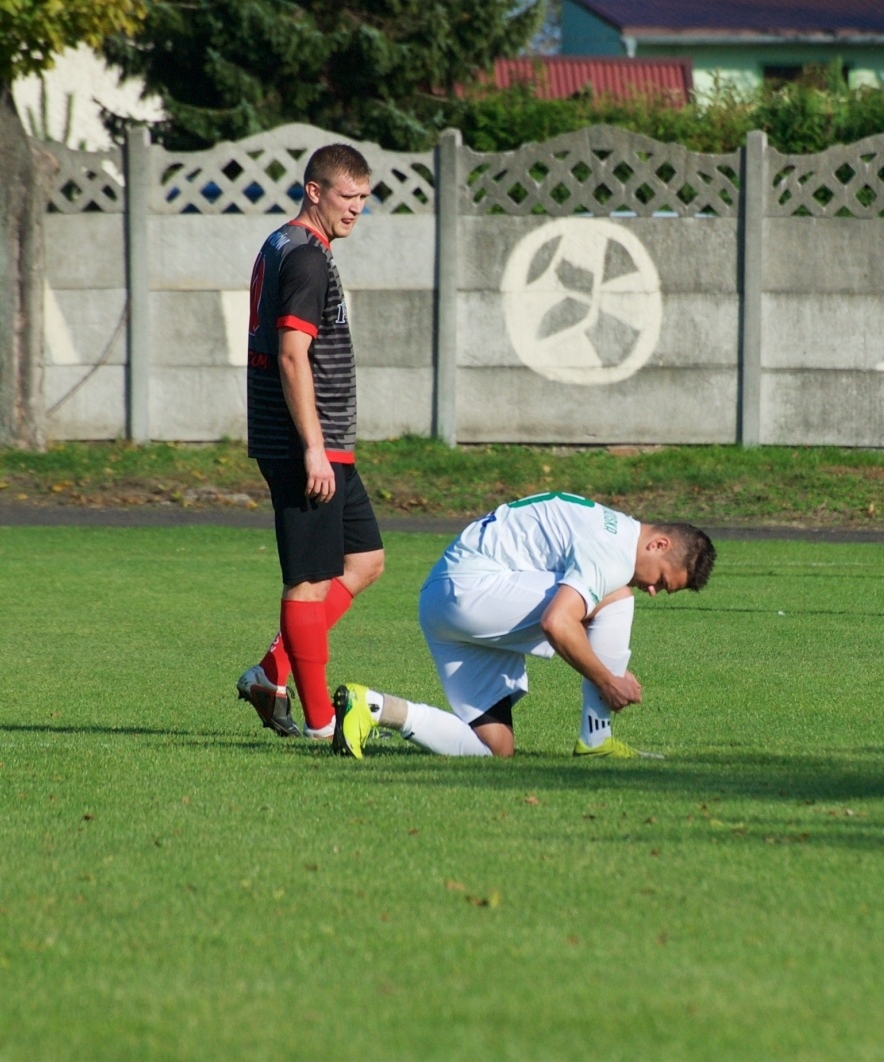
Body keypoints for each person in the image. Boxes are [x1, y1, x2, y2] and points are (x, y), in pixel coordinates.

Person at [329, 491, 715, 760]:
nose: (652, 589)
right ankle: (596, 740)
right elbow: (558, 622)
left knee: (495, 749)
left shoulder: (613, 527)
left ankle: (373, 707)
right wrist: (607, 679)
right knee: (617, 597)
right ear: (659, 545)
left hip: (441, 599)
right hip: (471, 589)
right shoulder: (613, 554)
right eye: (661, 581)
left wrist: (603, 665)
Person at [233, 145, 385, 739]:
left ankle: (272, 671)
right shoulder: (305, 259)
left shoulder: (286, 244)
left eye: (364, 200)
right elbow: (293, 355)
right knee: (309, 579)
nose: (356, 211)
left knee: (366, 559)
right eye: (347, 198)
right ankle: (322, 722)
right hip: (306, 445)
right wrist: (313, 449)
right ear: (314, 191)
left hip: (325, 444)